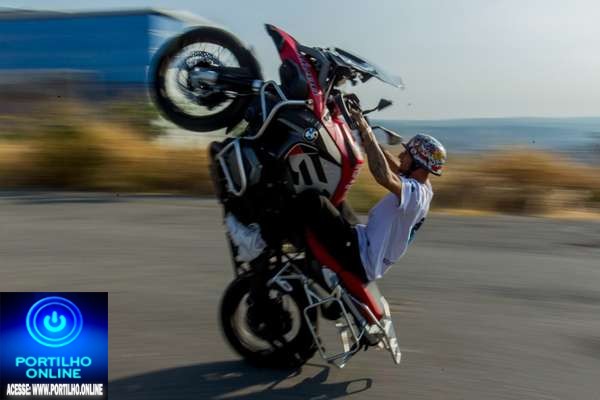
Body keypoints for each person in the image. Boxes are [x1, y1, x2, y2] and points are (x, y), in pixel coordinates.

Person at [298, 109, 447, 283]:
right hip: (364, 241)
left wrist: (367, 134)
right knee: (334, 196)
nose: (400, 155)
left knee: (313, 200)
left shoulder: (417, 195)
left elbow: (383, 175)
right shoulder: (422, 184)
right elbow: (396, 167)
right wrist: (367, 135)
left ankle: (265, 239)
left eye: (406, 154)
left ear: (418, 164)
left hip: (362, 258)